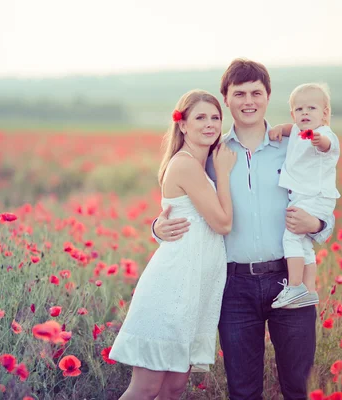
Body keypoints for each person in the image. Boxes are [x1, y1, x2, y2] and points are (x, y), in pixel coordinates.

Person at [153, 59, 334, 400]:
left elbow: (324, 196)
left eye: (256, 92)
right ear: (226, 99)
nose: (248, 100)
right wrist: (158, 227)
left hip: (289, 279)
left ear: (268, 96)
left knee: (299, 386)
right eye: (239, 94)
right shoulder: (211, 152)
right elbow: (178, 205)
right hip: (233, 286)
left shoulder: (295, 145)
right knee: (243, 390)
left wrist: (318, 224)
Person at [110, 89, 237, 400]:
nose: (210, 124)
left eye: (215, 117)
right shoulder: (186, 165)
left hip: (192, 289)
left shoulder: (200, 162)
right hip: (171, 286)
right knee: (146, 387)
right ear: (183, 125)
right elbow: (223, 224)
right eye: (200, 117)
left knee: (175, 387)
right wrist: (223, 173)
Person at [267, 83, 340, 309]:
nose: (305, 113)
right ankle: (308, 290)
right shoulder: (298, 130)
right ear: (293, 114)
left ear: (325, 113)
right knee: (304, 244)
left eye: (311, 108)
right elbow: (293, 129)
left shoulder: (324, 134)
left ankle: (295, 285)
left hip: (315, 197)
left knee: (291, 238)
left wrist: (320, 141)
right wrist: (281, 127)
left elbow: (329, 146)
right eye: (299, 110)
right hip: (307, 197)